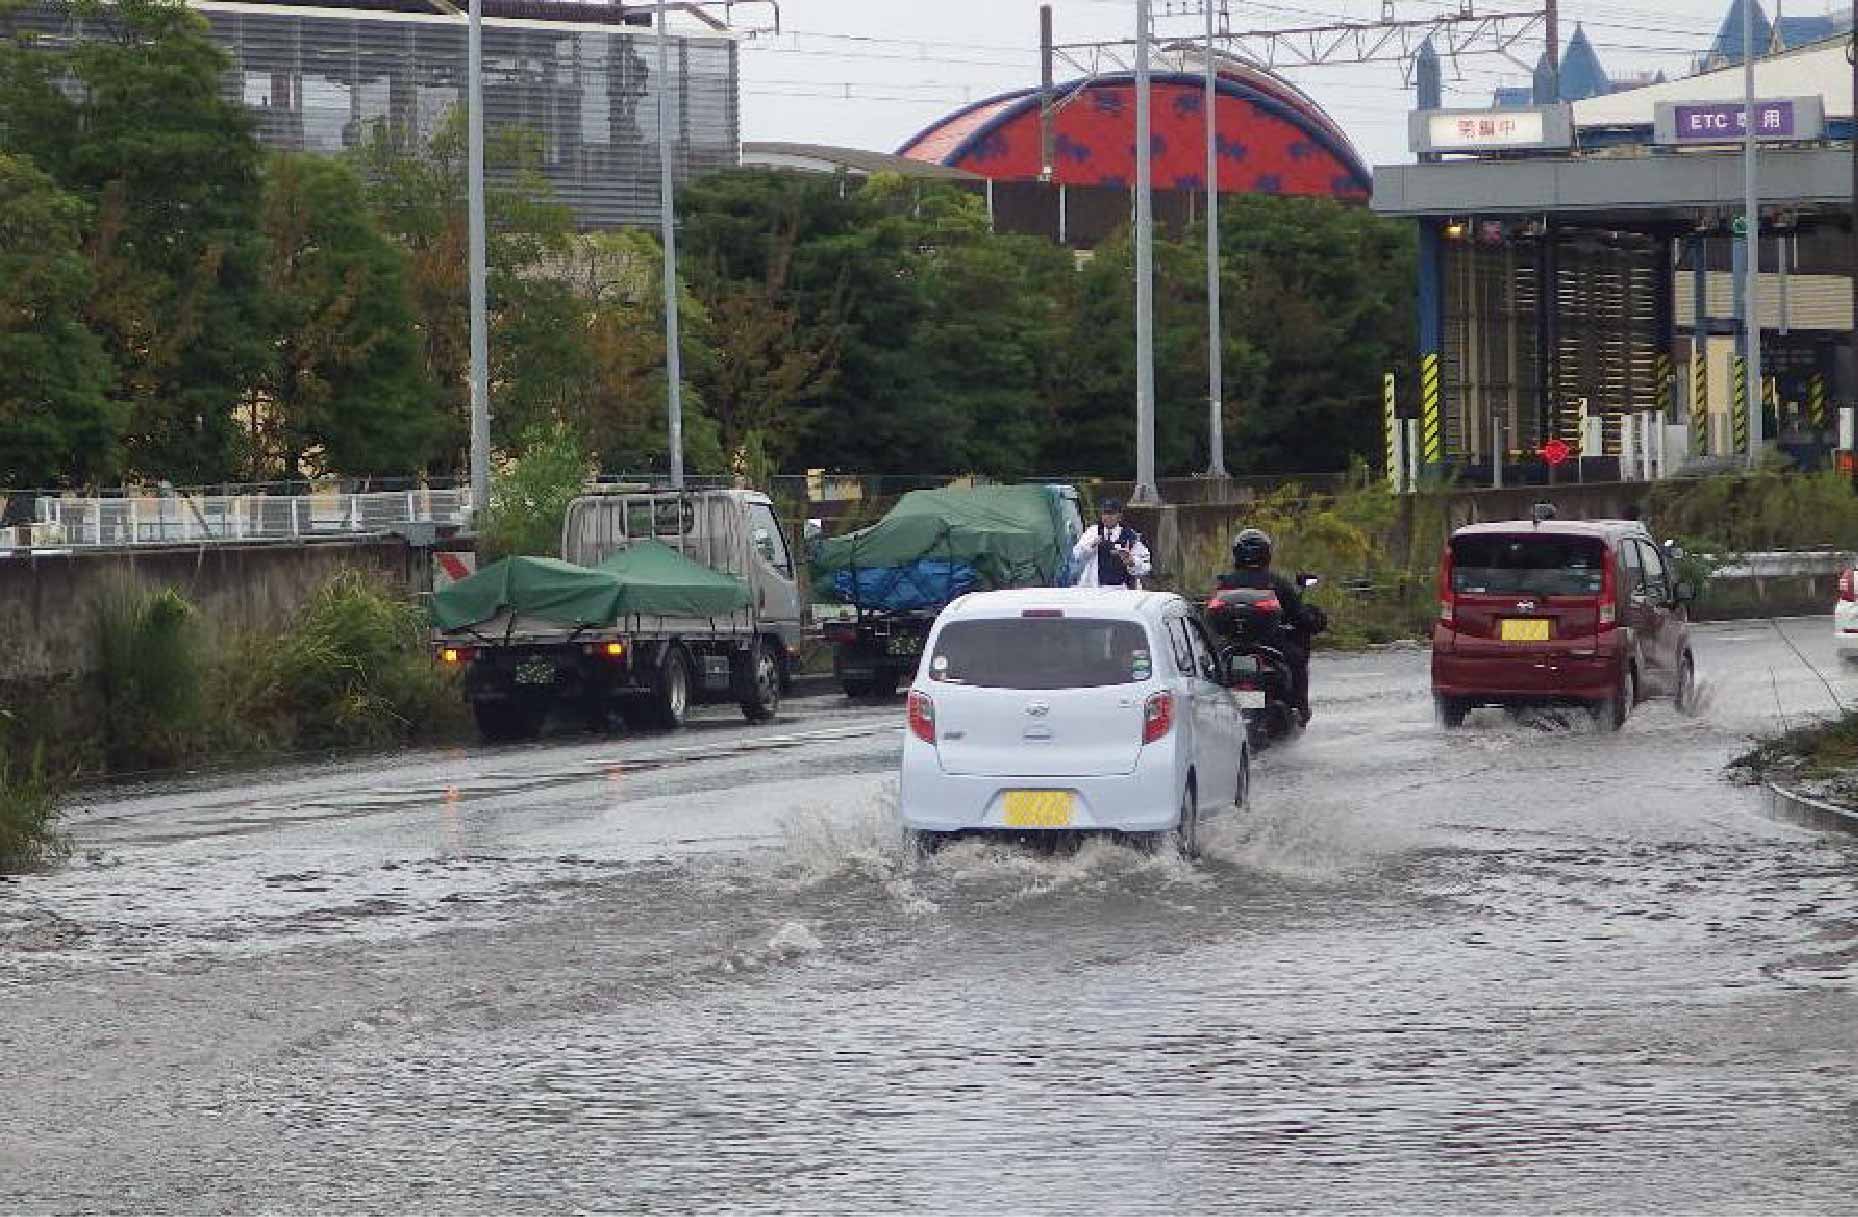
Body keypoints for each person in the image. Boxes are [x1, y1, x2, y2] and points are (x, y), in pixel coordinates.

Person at [1217, 527, 1314, 722]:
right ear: (1266, 554)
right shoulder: (1277, 582)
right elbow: (1300, 615)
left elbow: (1212, 617)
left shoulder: (1226, 582)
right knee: (1297, 660)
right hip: (1270, 646)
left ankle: (1295, 708)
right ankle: (1300, 708)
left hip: (1232, 647)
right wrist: (1313, 620)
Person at [1072, 499, 1152, 589]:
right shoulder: (1092, 532)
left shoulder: (1129, 536)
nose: (1107, 517)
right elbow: (1076, 555)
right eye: (1105, 513)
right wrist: (1091, 546)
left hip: (1121, 589)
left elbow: (1146, 566)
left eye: (1111, 514)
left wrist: (1132, 562)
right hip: (1094, 588)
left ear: (1119, 516)